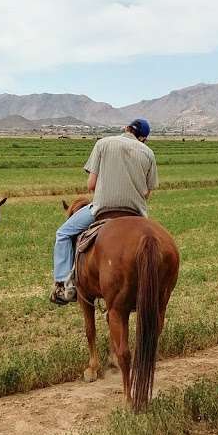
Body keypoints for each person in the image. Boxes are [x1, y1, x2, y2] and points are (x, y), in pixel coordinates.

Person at [50, 118, 158, 305]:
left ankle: (63, 285)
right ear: (144, 139)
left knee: (63, 234)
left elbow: (91, 185)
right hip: (136, 213)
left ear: (126, 129)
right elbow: (147, 192)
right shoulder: (148, 153)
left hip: (101, 208)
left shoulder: (103, 143)